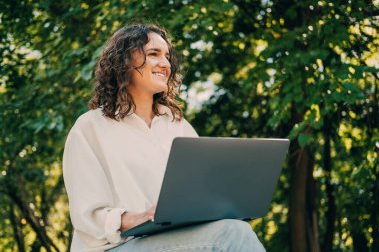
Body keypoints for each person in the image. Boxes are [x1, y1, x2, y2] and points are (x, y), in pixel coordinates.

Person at [63, 22, 266, 252]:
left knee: (233, 226)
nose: (165, 63)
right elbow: (87, 217)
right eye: (153, 54)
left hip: (171, 240)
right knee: (232, 234)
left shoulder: (177, 125)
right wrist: (141, 218)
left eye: (167, 56)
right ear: (125, 62)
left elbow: (199, 192)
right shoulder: (90, 127)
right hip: (113, 247)